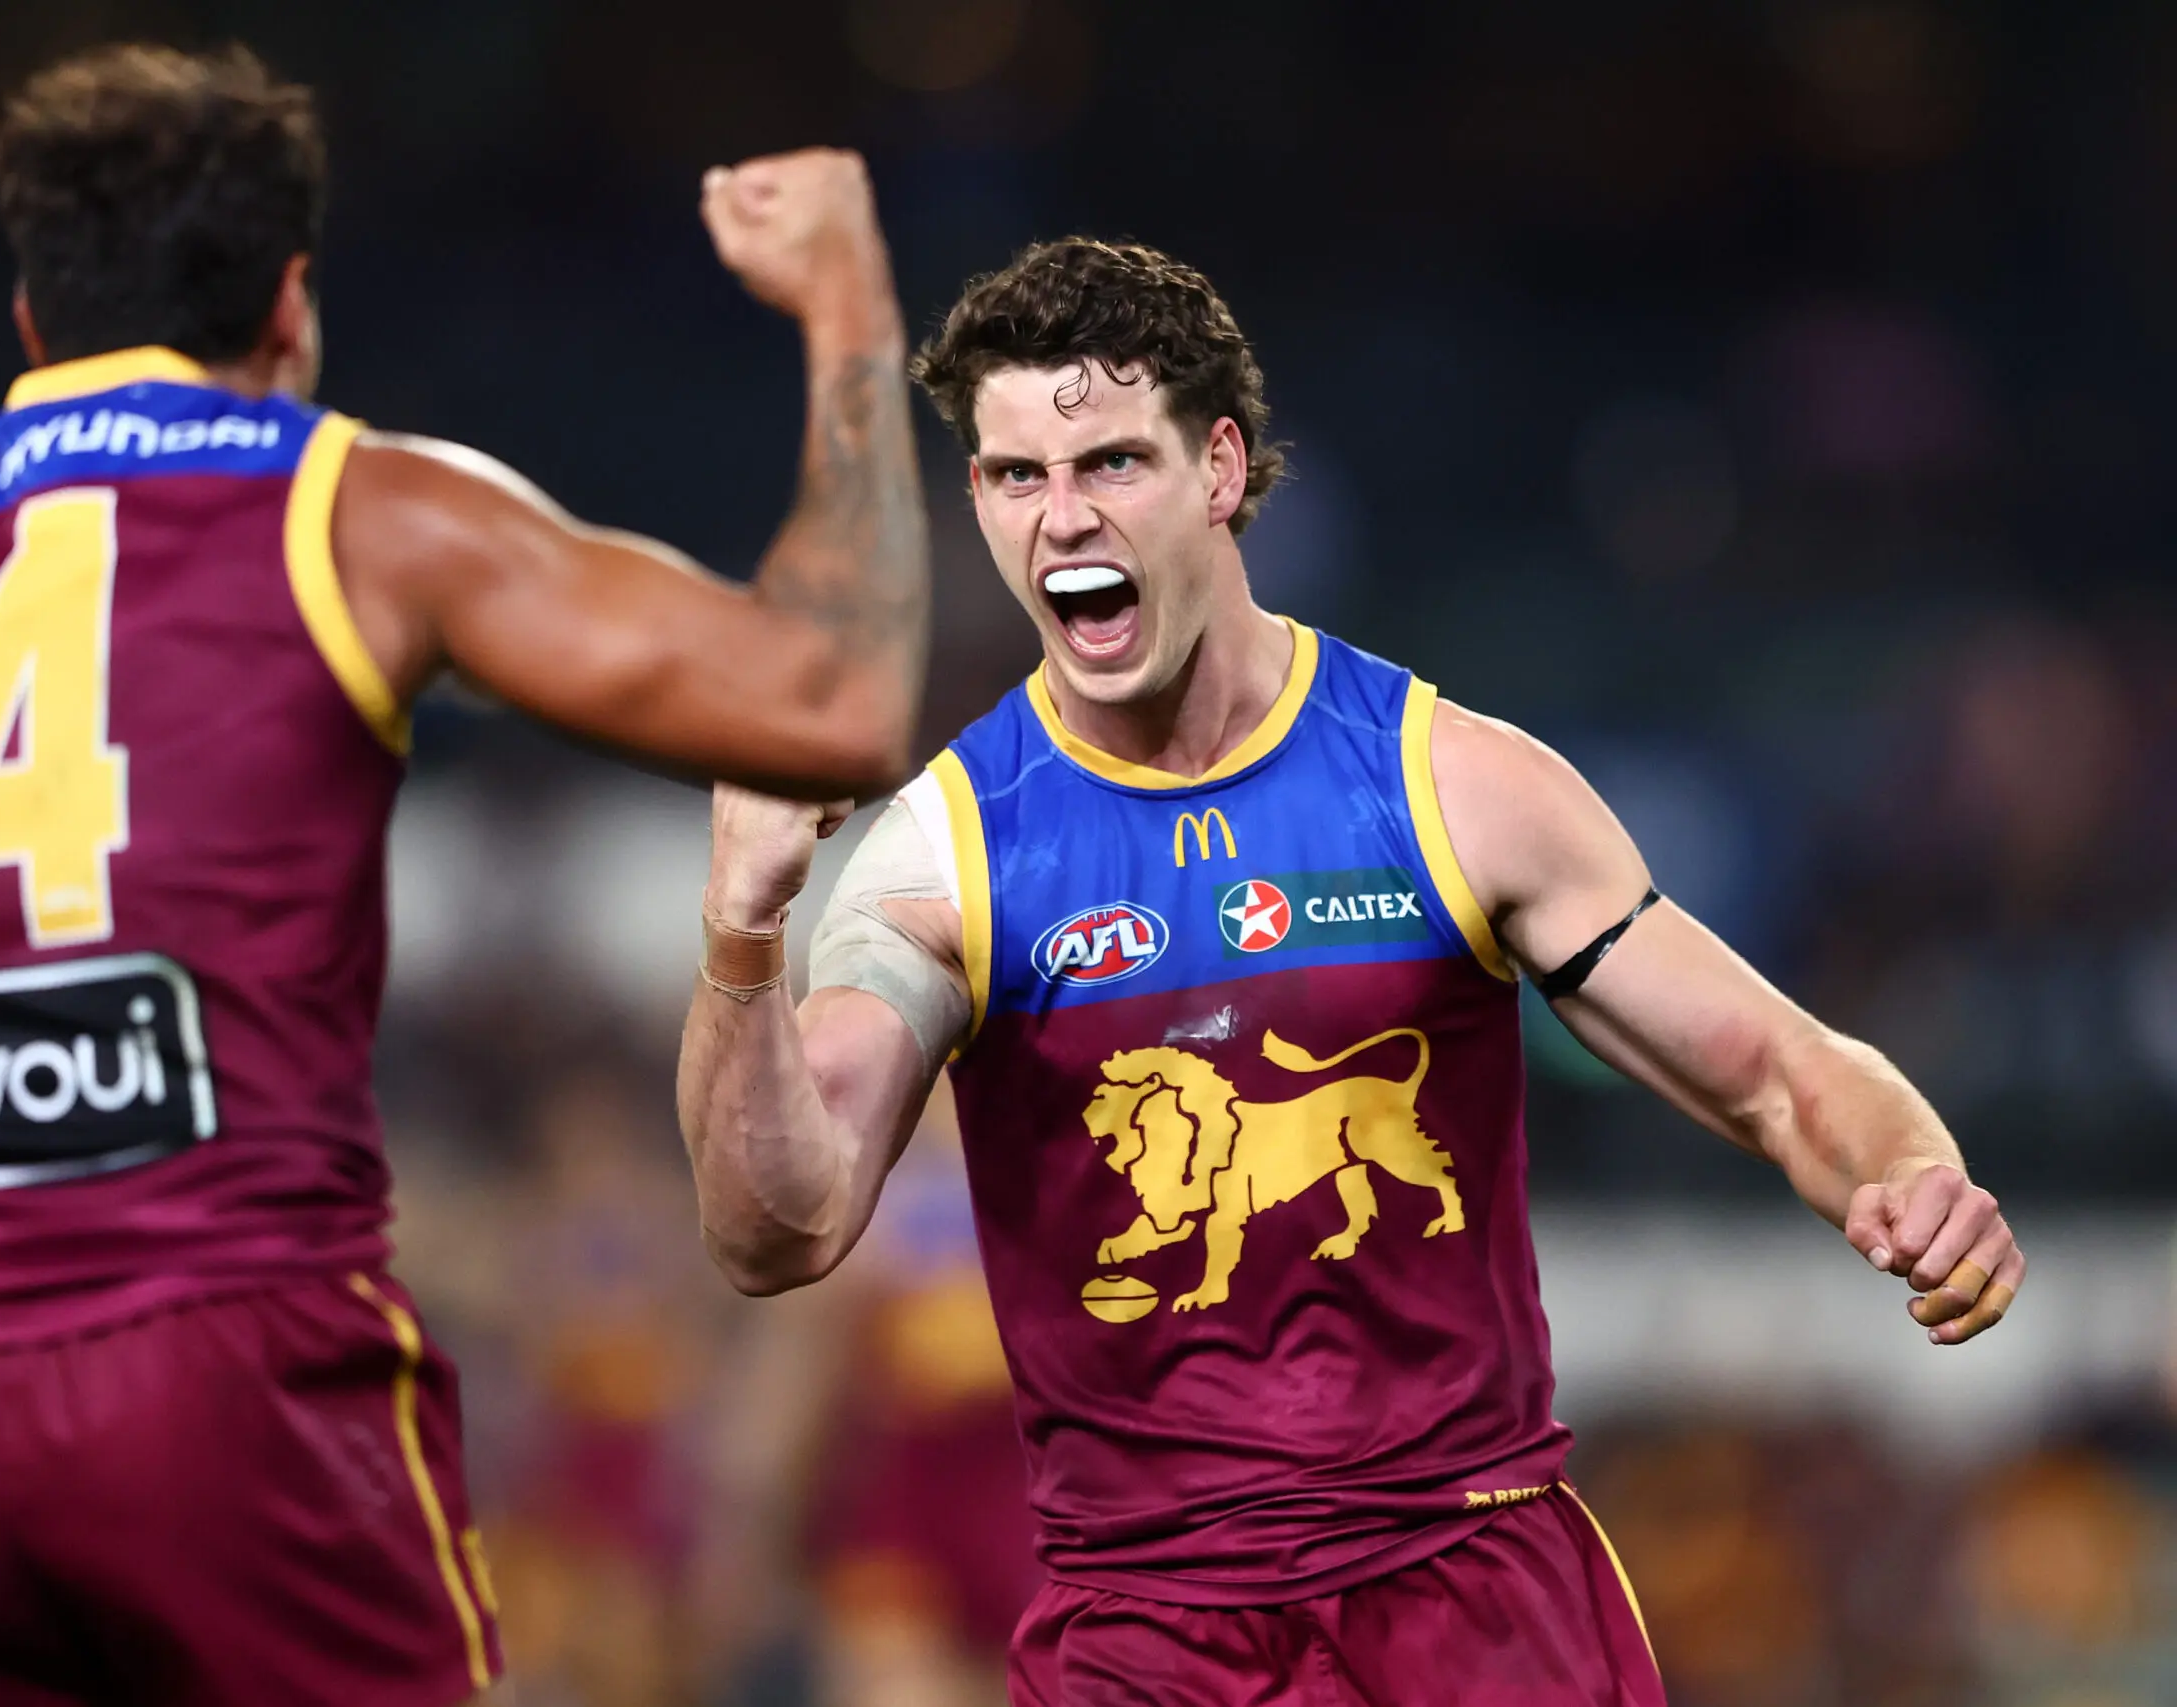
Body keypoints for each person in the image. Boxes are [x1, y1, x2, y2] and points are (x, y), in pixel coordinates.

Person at [0, 42, 926, 1707]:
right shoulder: (354, 508)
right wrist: (850, 306)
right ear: (292, 305)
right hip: (225, 1359)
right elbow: (832, 701)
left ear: (32, 321)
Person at [676, 237, 2026, 1706]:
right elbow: (777, 1228)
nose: (1062, 518)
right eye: (1016, 476)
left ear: (1220, 469)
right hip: (1151, 1630)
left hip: (1473, 1589)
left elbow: (1776, 1067)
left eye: (1112, 463)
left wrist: (1910, 1168)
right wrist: (742, 934)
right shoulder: (945, 857)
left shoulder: (1452, 788)